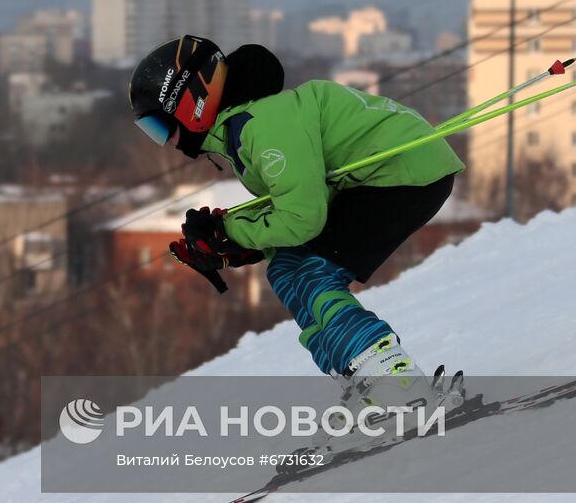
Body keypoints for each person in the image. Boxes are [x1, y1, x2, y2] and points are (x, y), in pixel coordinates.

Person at [128, 35, 465, 430]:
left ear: (191, 103)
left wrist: (231, 233)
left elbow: (303, 219)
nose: (165, 142)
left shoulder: (264, 123)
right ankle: (366, 380)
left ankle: (399, 387)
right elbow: (298, 205)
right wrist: (235, 243)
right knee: (287, 268)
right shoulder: (244, 127)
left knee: (311, 273)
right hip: (375, 181)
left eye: (159, 126)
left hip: (401, 174)